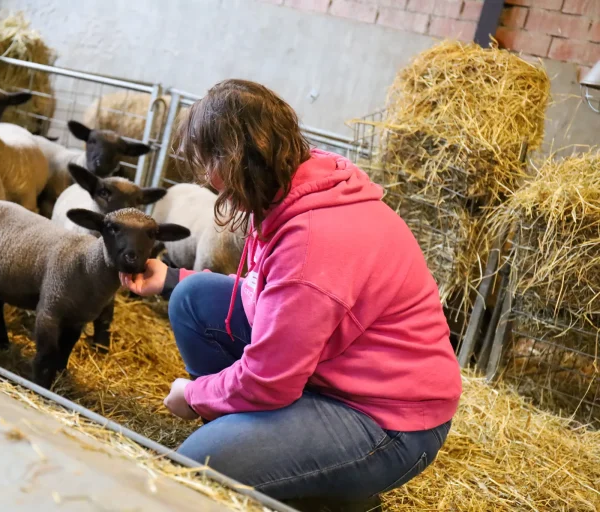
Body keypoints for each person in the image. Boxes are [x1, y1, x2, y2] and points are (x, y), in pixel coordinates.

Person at [119, 79, 462, 510]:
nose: (206, 179)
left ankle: (337, 493)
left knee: (196, 467)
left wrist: (194, 395)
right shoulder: (302, 185)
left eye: (208, 162)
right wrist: (172, 279)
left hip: (388, 419)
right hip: (336, 371)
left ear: (234, 159)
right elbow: (268, 296)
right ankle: (281, 450)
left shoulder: (312, 246)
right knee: (194, 298)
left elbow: (270, 380)